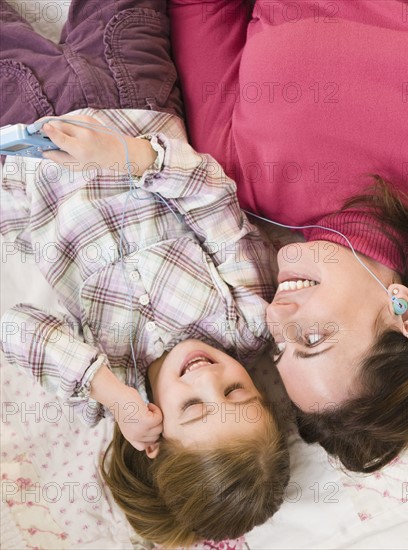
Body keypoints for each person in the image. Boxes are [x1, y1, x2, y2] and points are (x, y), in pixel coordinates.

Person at [0, 1, 290, 545]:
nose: (209, 377)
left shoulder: (100, 380)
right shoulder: (250, 320)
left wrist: (111, 393)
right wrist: (125, 156)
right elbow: (211, 197)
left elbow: (15, 327)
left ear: (153, 438)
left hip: (25, 138)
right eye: (236, 391)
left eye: (195, 408)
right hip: (133, 101)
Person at [167, 0, 408, 471]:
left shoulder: (234, 179)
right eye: (312, 338)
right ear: (404, 312)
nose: (277, 315)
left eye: (281, 347)